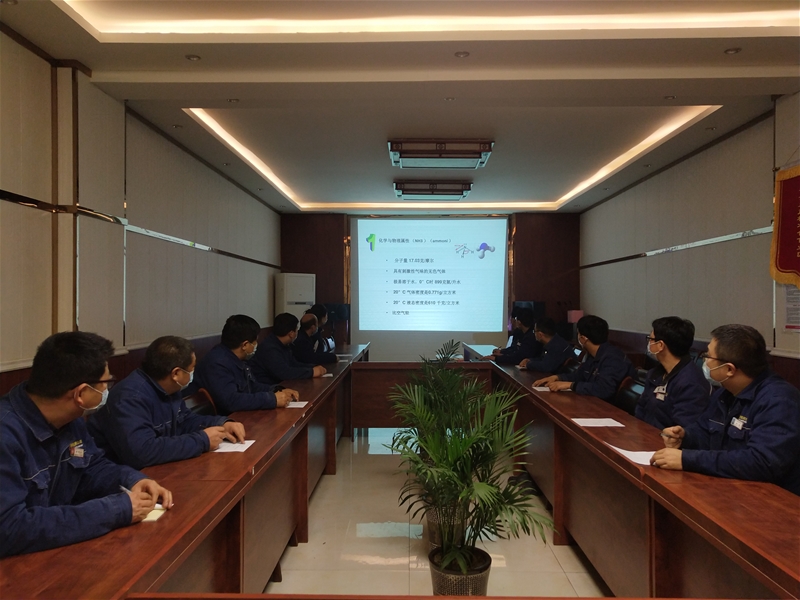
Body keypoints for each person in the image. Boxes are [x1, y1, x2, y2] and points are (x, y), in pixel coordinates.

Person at [0, 332, 173, 557]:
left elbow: (92, 467)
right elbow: (10, 529)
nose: (107, 391)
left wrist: (133, 480)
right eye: (105, 384)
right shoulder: (6, 435)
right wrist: (116, 509)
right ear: (81, 393)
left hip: (52, 553)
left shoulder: (70, 418)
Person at [651, 324, 800, 495]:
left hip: (772, 498)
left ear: (729, 369)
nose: (704, 361)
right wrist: (685, 437)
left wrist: (687, 459)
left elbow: (762, 462)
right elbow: (704, 430)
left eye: (708, 356)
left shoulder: (779, 401)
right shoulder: (726, 393)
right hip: (730, 488)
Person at [87, 336, 246, 469]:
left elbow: (185, 420)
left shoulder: (169, 388)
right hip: (123, 478)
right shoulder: (130, 398)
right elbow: (141, 452)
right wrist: (202, 441)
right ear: (176, 373)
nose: (193, 373)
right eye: (191, 369)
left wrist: (221, 424)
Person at [194, 315, 298, 415]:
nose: (256, 345)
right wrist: (272, 399)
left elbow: (251, 386)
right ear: (245, 345)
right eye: (255, 341)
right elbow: (231, 400)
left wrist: (277, 390)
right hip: (224, 420)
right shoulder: (217, 363)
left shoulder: (237, 358)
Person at [534, 314, 635, 401]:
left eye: (578, 333)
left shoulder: (613, 358)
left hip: (610, 408)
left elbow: (604, 390)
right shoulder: (592, 355)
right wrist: (558, 378)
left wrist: (570, 385)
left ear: (582, 339)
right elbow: (580, 375)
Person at [634, 317, 710, 430]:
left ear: (660, 345)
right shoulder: (655, 373)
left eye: (650, 339)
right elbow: (641, 408)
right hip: (645, 433)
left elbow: (681, 429)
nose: (649, 343)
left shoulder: (691, 383)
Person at [250, 313, 327, 384]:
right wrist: (312, 372)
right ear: (291, 334)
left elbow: (293, 364)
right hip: (268, 387)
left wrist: (313, 367)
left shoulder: (284, 344)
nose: (297, 332)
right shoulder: (269, 348)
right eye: (296, 329)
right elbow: (284, 373)